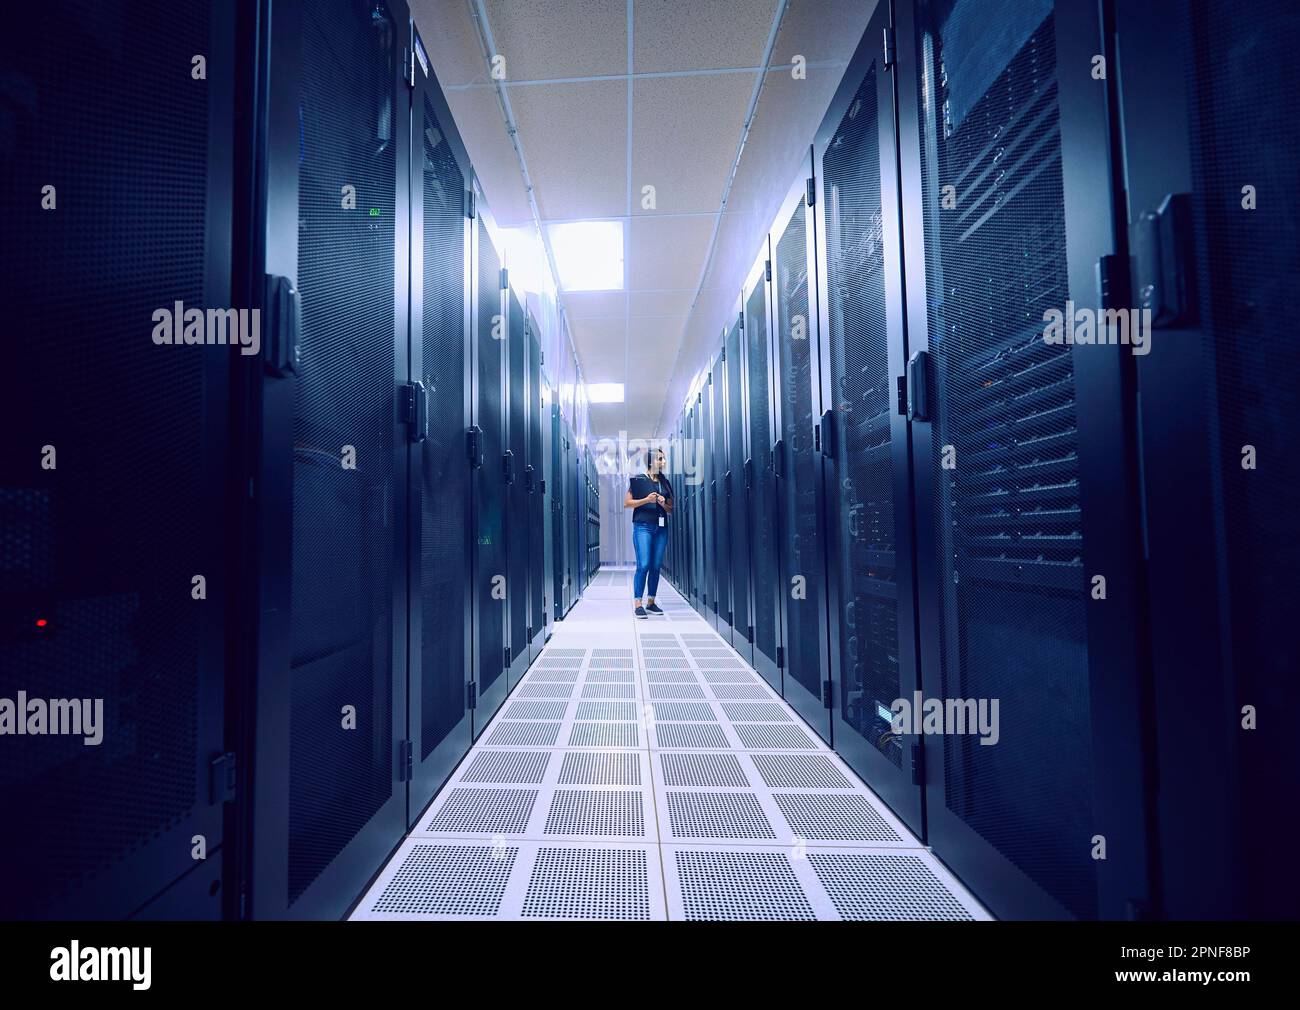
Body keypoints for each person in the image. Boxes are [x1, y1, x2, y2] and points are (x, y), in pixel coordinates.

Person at [625, 447, 673, 619]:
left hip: (661, 528)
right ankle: (638, 602)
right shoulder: (638, 480)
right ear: (652, 461)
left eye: (664, 459)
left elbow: (671, 509)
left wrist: (662, 503)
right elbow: (627, 503)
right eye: (661, 459)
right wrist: (647, 500)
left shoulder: (665, 483)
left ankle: (651, 602)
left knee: (655, 566)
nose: (664, 462)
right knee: (644, 564)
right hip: (642, 527)